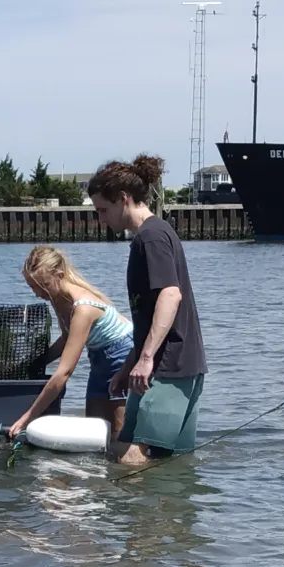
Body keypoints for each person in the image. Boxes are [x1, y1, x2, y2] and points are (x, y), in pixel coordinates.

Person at [87, 154, 205, 466]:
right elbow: (148, 315)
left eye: (103, 209)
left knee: (131, 458)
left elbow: (170, 295)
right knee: (167, 460)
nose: (101, 219)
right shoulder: (155, 233)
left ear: (123, 199)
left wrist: (147, 358)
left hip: (167, 367)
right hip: (174, 365)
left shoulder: (151, 237)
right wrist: (130, 364)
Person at [5, 244, 135, 444]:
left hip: (122, 355)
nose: (37, 293)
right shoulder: (56, 297)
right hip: (98, 358)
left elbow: (64, 372)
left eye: (42, 285)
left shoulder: (83, 308)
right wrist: (39, 362)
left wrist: (28, 417)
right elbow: (67, 337)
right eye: (32, 286)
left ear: (59, 275)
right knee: (94, 430)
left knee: (120, 435)